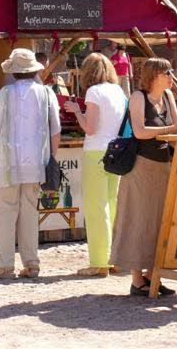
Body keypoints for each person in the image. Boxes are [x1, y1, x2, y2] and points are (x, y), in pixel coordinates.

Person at [110, 57, 177, 296]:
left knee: (161, 221)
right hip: (141, 166)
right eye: (167, 72)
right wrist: (174, 129)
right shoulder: (139, 97)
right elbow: (140, 132)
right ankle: (137, 279)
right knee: (139, 220)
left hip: (164, 165)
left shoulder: (168, 97)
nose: (172, 77)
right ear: (155, 75)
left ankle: (154, 275)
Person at [0, 48, 61, 279]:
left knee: (5, 213)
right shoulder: (47, 94)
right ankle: (32, 263)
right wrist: (51, 158)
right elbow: (55, 130)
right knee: (29, 212)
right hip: (35, 163)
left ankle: (6, 265)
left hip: (6, 164)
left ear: (14, 72)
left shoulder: (3, 94)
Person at [64, 53, 127, 277]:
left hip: (96, 151)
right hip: (116, 151)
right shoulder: (118, 91)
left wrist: (77, 111)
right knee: (112, 204)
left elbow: (90, 128)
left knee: (96, 207)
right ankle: (116, 258)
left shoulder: (94, 92)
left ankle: (99, 261)